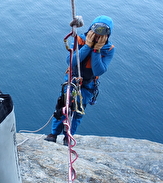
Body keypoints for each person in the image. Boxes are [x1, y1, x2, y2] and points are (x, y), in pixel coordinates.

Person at [45, 15, 115, 145]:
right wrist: (87, 46)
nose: (97, 35)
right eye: (95, 31)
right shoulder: (79, 40)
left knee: (77, 112)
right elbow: (71, 61)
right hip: (72, 80)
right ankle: (53, 134)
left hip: (87, 85)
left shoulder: (108, 49)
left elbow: (98, 70)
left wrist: (96, 50)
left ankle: (68, 136)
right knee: (63, 106)